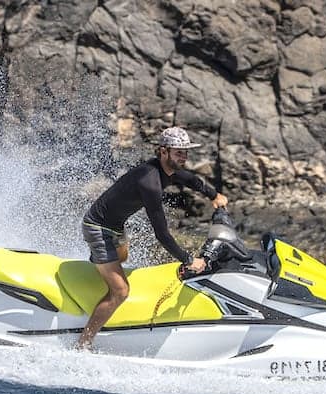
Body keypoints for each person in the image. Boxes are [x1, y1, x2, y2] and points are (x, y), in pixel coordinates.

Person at [76, 126, 228, 350]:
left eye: (185, 152)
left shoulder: (169, 170)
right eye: (179, 152)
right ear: (163, 152)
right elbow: (162, 234)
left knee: (122, 259)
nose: (184, 157)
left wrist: (214, 195)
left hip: (115, 226)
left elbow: (191, 180)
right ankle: (83, 343)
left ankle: (101, 266)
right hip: (97, 227)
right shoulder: (150, 181)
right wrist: (188, 260)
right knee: (121, 291)